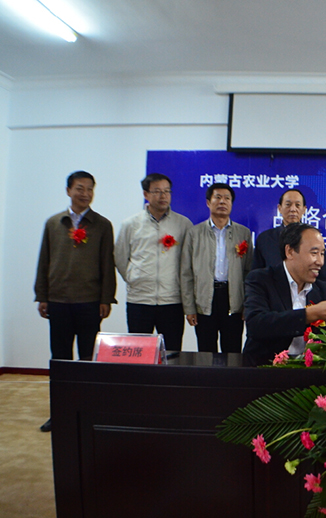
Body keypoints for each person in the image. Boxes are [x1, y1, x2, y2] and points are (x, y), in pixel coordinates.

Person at [34, 170, 117, 432]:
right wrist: (42, 295)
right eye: (80, 188)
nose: (85, 193)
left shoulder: (102, 225)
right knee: (60, 360)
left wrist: (106, 298)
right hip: (58, 301)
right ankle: (60, 413)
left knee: (88, 360)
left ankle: (88, 412)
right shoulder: (53, 223)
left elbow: (107, 264)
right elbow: (44, 260)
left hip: (89, 302)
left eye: (90, 189)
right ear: (68, 190)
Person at [243, 223, 326, 365]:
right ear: (289, 252)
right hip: (265, 368)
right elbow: (256, 325)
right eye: (314, 253)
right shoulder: (261, 279)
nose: (320, 262)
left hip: (312, 372)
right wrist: (309, 314)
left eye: (322, 254)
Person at [115, 174, 192, 351]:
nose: (163, 196)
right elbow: (120, 257)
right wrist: (134, 278)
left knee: (172, 352)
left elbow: (188, 261)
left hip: (172, 301)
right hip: (140, 300)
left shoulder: (183, 224)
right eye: (157, 191)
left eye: (167, 191)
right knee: (139, 352)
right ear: (146, 194)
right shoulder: (131, 224)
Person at [181, 183, 253, 353]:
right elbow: (186, 273)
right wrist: (189, 308)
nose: (222, 202)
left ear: (231, 203)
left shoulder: (243, 233)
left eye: (227, 198)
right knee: (206, 351)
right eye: (218, 197)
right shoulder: (194, 233)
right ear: (208, 202)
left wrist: (247, 305)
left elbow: (249, 272)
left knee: (233, 351)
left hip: (233, 299)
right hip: (205, 298)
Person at [252, 188, 326, 281]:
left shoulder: (314, 238)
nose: (293, 209)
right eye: (288, 205)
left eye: (297, 205)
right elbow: (256, 276)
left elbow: (321, 279)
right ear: (279, 208)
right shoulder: (265, 238)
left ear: (304, 209)